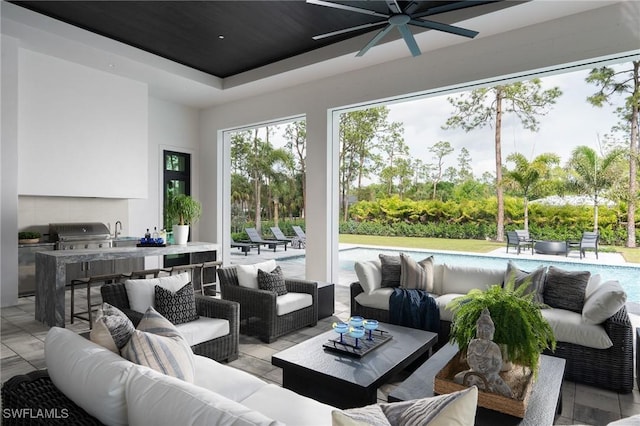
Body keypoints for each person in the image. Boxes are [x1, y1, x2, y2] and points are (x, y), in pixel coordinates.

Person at [455, 308, 512, 397]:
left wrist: (488, 371)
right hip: (474, 372)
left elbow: (497, 365)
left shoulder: (494, 347)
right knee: (458, 378)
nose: (483, 330)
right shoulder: (473, 343)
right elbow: (469, 359)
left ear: (491, 331)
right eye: (480, 327)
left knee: (505, 390)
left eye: (486, 328)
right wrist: (476, 367)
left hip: (490, 375)